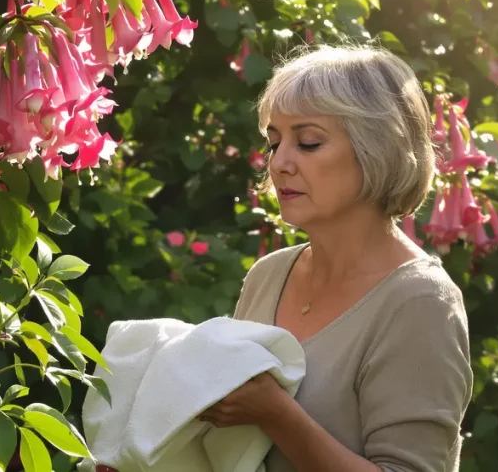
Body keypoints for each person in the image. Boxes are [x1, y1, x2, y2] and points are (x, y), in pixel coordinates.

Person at [197, 43, 473, 472]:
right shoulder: (270, 274)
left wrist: (277, 414)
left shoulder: (420, 302)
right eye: (274, 143)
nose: (279, 163)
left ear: (377, 149)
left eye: (308, 143)